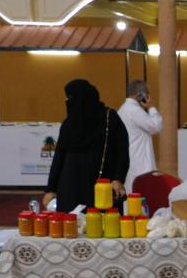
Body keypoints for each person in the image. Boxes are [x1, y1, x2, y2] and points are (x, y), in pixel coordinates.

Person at [42, 79, 129, 212]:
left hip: (101, 186)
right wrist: (51, 189)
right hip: (70, 187)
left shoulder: (109, 118)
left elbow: (122, 151)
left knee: (101, 221)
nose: (68, 101)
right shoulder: (68, 124)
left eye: (71, 98)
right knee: (71, 222)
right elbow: (59, 157)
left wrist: (118, 178)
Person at [118, 79, 163, 192]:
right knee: (143, 196)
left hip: (130, 160)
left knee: (131, 195)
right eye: (147, 93)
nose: (148, 96)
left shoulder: (122, 109)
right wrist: (151, 107)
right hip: (141, 163)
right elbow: (156, 127)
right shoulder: (134, 110)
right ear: (140, 95)